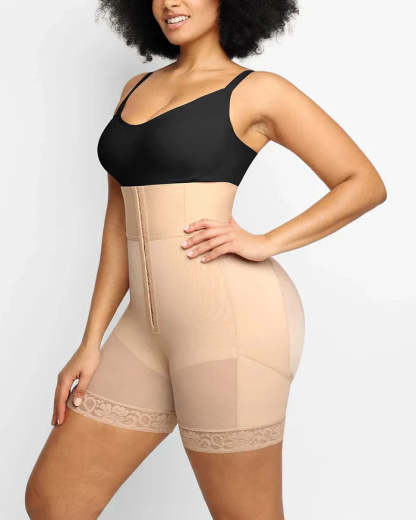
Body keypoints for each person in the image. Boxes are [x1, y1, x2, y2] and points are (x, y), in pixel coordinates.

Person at [25, 1, 387, 518]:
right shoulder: (133, 89)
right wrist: (90, 341)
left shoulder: (258, 91)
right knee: (53, 499)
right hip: (144, 329)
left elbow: (363, 183)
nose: (171, 2)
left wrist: (266, 241)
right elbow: (118, 223)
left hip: (230, 325)